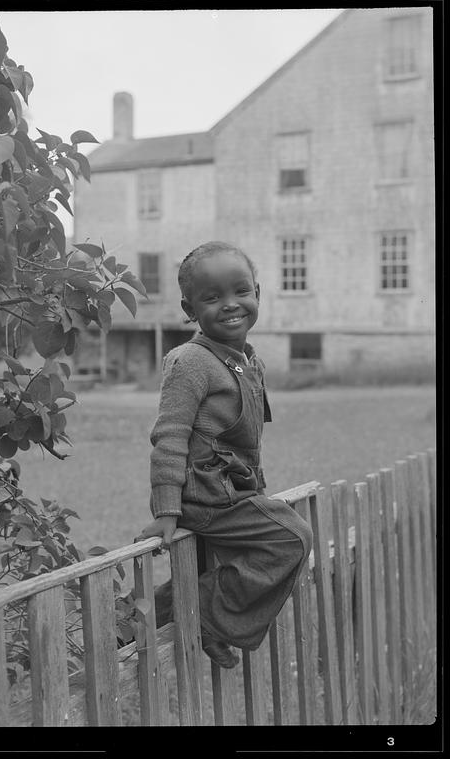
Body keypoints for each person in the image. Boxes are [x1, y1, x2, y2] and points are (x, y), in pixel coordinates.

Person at [136, 241, 313, 668]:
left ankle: (137, 619)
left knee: (214, 565)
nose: (230, 305)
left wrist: (260, 489)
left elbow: (247, 441)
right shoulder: (190, 362)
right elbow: (171, 436)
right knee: (292, 538)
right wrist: (166, 510)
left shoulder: (248, 361)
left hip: (232, 488)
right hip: (204, 496)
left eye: (240, 292)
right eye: (212, 298)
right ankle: (207, 620)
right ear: (189, 308)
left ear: (258, 292)